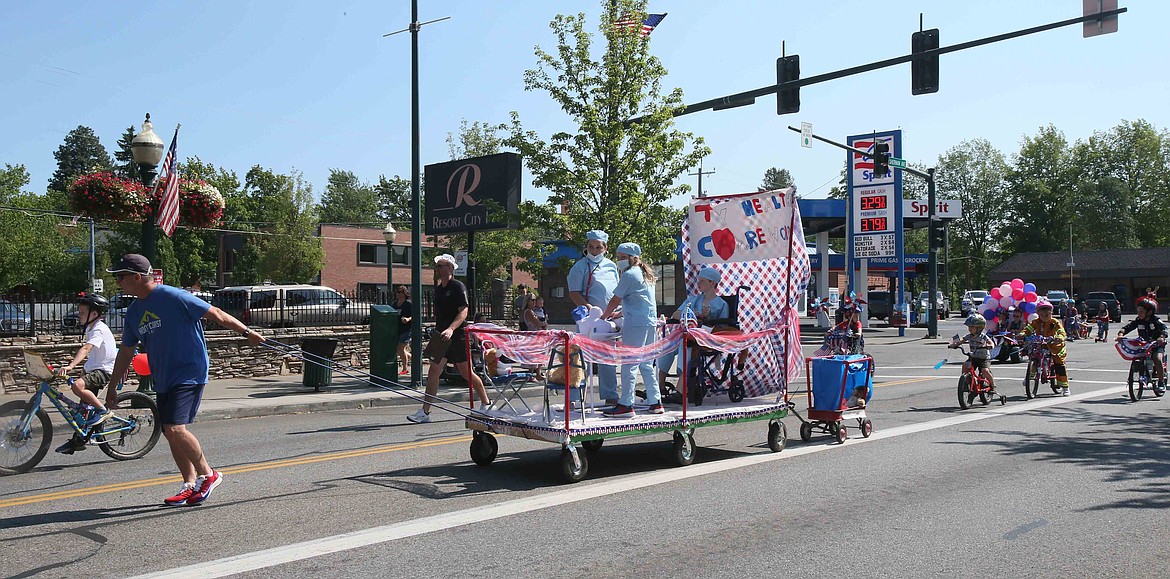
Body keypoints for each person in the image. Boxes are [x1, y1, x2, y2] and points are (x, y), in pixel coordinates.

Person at [104, 254, 263, 506]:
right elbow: (125, 351)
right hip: (163, 375)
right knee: (170, 431)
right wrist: (113, 387)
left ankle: (208, 474)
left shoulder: (173, 296)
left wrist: (246, 331)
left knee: (176, 428)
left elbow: (216, 313)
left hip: (189, 371)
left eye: (120, 277)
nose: (117, 282)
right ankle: (190, 484)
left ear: (136, 277)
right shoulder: (134, 312)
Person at [407, 254, 490, 424]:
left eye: (441, 265)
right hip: (440, 336)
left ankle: (486, 403)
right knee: (433, 373)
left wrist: (451, 329)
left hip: (457, 335)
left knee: (466, 373)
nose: (438, 269)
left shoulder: (458, 287)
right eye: (437, 266)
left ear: (450, 268)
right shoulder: (439, 289)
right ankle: (425, 412)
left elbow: (464, 311)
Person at [601, 242, 662, 416]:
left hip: (636, 324)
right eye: (618, 257)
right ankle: (655, 401)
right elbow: (639, 300)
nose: (619, 260)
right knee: (646, 364)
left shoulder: (629, 275)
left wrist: (604, 317)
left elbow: (615, 299)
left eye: (622, 257)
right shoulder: (644, 273)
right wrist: (620, 313)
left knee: (629, 363)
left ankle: (626, 404)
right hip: (649, 322)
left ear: (631, 258)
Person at [54, 293, 117, 455]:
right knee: (84, 410)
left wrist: (71, 365)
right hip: (93, 369)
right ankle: (78, 441)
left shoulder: (99, 329)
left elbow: (86, 349)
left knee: (78, 386)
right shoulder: (91, 327)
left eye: (82, 312)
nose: (79, 315)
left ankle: (104, 411)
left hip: (104, 370)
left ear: (94, 314)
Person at [566, 230, 620, 405]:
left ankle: (610, 395)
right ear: (586, 247)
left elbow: (617, 291)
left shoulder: (612, 266)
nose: (594, 251)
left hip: (608, 321)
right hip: (588, 321)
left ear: (605, 248)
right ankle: (574, 398)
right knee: (581, 359)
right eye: (591, 247)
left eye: (598, 247)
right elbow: (574, 293)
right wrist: (589, 309)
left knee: (608, 358)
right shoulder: (580, 267)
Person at [657, 267, 730, 391]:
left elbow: (724, 327)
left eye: (702, 281)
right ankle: (660, 385)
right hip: (689, 335)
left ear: (712, 282)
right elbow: (676, 314)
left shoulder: (722, 304)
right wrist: (691, 314)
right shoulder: (693, 300)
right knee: (669, 345)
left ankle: (681, 388)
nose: (698, 283)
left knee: (684, 344)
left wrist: (708, 317)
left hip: (707, 338)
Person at [1022, 299, 1070, 396]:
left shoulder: (1055, 322)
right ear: (1038, 313)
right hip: (1041, 343)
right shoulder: (1036, 322)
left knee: (1059, 363)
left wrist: (1060, 338)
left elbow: (1061, 331)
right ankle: (1029, 377)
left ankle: (1065, 387)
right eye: (1042, 312)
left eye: (1046, 312)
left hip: (1055, 345)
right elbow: (1028, 329)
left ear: (1051, 312)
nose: (1044, 315)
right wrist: (1022, 334)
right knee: (1034, 356)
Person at [1116, 297, 1167, 387]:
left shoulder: (1156, 320)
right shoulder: (1139, 321)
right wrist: (1121, 333)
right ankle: (1134, 376)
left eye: (1141, 312)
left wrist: (1161, 337)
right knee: (1136, 355)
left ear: (1150, 312)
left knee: (1157, 358)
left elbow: (1164, 329)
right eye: (1138, 311)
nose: (1139, 314)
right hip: (1143, 344)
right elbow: (1128, 327)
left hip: (1156, 345)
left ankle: (1161, 381)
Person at [950, 313, 997, 394]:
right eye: (969, 327)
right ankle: (966, 382)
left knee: (985, 370)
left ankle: (993, 385)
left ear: (979, 328)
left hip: (984, 358)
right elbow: (962, 339)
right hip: (973, 357)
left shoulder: (983, 337)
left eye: (972, 327)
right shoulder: (969, 336)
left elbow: (990, 342)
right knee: (965, 366)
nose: (969, 329)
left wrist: (989, 345)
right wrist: (955, 344)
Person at [393, 285, 413, 376]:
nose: (399, 294)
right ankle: (413, 358)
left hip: (407, 329)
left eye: (401, 292)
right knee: (399, 350)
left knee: (401, 348)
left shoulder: (408, 304)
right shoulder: (395, 303)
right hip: (398, 328)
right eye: (398, 292)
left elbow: (414, 315)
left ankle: (405, 368)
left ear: (405, 293)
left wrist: (408, 319)